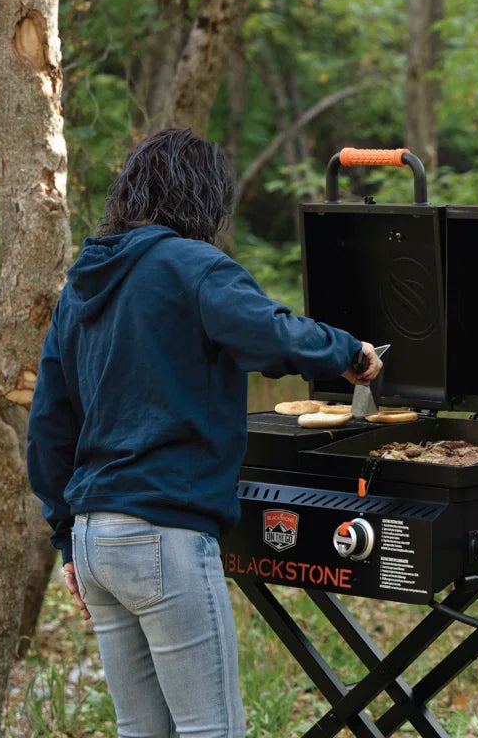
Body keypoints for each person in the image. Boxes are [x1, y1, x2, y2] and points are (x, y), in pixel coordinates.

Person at [26, 128, 383, 738]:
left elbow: (48, 427)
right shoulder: (191, 265)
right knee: (210, 729)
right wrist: (348, 352)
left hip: (94, 542)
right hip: (162, 536)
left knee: (143, 732)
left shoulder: (83, 283)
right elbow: (270, 332)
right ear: (201, 198)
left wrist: (66, 537)